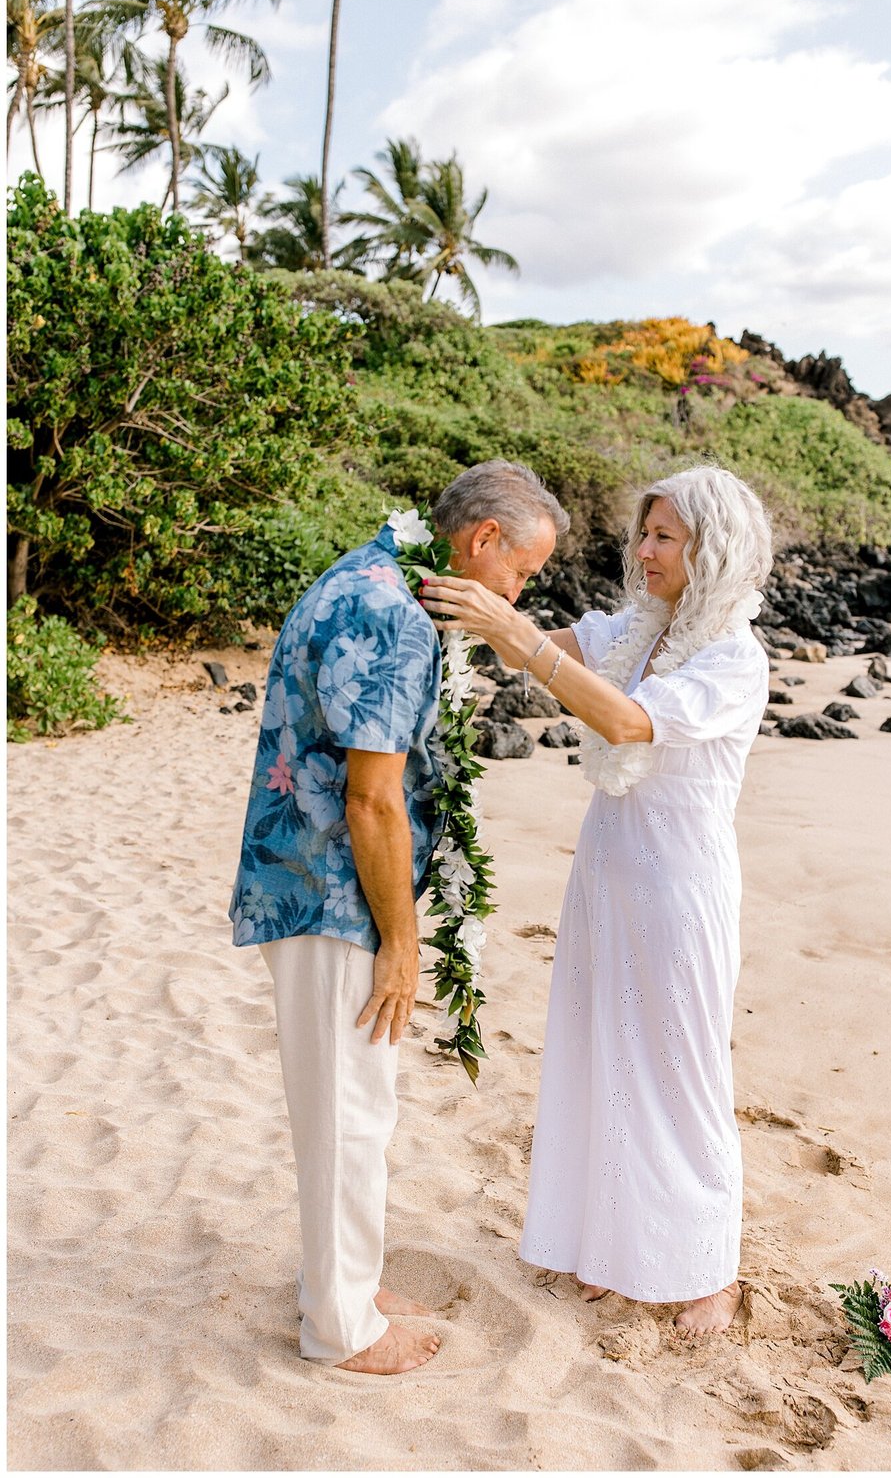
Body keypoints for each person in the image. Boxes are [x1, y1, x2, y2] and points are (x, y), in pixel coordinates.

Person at [230, 459, 569, 1375]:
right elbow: (372, 799)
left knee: (355, 1104)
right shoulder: (390, 615)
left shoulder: (375, 576)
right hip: (334, 894)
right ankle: (339, 1328)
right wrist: (402, 943)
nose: (517, 590)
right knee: (349, 1111)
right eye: (522, 572)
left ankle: (348, 1283)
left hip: (318, 880)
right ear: (483, 540)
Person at [420, 464, 772, 1339]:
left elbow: (623, 721)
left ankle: (710, 1269)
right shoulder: (631, 629)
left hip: (681, 883)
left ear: (711, 549)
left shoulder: (733, 656)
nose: (642, 549)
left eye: (664, 537)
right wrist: (461, 601)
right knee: (606, 1055)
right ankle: (623, 1251)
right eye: (643, 532)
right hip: (609, 867)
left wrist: (520, 636)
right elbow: (530, 647)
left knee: (686, 1070)